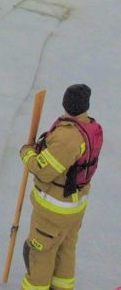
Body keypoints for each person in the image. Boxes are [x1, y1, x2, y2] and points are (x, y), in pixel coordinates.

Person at [19, 84, 103, 290]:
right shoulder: (90, 128)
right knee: (65, 250)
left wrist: (27, 152)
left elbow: (43, 170)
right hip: (74, 208)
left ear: (66, 103)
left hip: (53, 211)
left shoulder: (68, 137)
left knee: (40, 253)